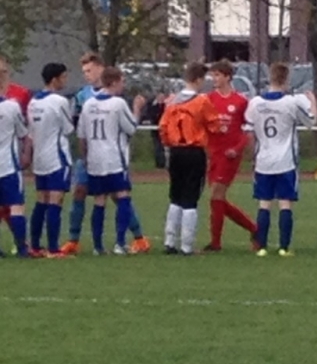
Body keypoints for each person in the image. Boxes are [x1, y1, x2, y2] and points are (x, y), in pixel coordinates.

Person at [62, 52, 150, 255]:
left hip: (94, 158)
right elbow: (130, 128)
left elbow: (82, 133)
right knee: (109, 194)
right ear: (116, 81)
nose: (86, 75)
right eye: (84, 71)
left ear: (101, 70)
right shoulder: (86, 97)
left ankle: (131, 238)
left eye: (89, 70)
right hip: (107, 158)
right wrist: (137, 110)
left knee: (105, 198)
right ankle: (102, 242)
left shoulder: (97, 101)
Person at [244, 62, 316, 257]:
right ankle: (284, 247)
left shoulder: (255, 103)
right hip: (286, 162)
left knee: (264, 203)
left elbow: (249, 131)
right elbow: (311, 121)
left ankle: (262, 247)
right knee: (285, 203)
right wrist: (313, 102)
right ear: (286, 79)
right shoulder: (290, 103)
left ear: (270, 78)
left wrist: (252, 155)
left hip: (263, 161)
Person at [158, 62, 220, 255]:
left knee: (175, 196)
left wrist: (169, 144)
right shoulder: (202, 101)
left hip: (176, 151)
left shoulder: (172, 102)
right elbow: (214, 125)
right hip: (194, 151)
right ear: (199, 80)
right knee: (190, 198)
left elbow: (163, 128)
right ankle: (187, 245)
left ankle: (169, 241)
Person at [204, 59, 257, 252]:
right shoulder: (209, 99)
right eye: (213, 75)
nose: (214, 79)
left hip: (229, 156)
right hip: (213, 154)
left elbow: (247, 131)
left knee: (216, 195)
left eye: (217, 75)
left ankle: (215, 243)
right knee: (217, 200)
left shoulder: (240, 101)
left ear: (227, 77)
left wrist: (238, 148)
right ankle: (254, 229)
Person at [26, 63, 75, 257]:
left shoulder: (33, 102)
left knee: (41, 201)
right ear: (54, 79)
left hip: (40, 158)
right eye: (63, 77)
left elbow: (31, 131)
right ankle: (53, 248)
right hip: (57, 157)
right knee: (56, 201)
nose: (65, 80)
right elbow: (68, 128)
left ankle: (35, 246)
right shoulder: (59, 101)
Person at [0, 54, 31, 237]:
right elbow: (24, 133)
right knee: (16, 205)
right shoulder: (11, 106)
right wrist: (27, 151)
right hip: (8, 165)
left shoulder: (21, 94)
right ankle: (22, 247)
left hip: (9, 162)